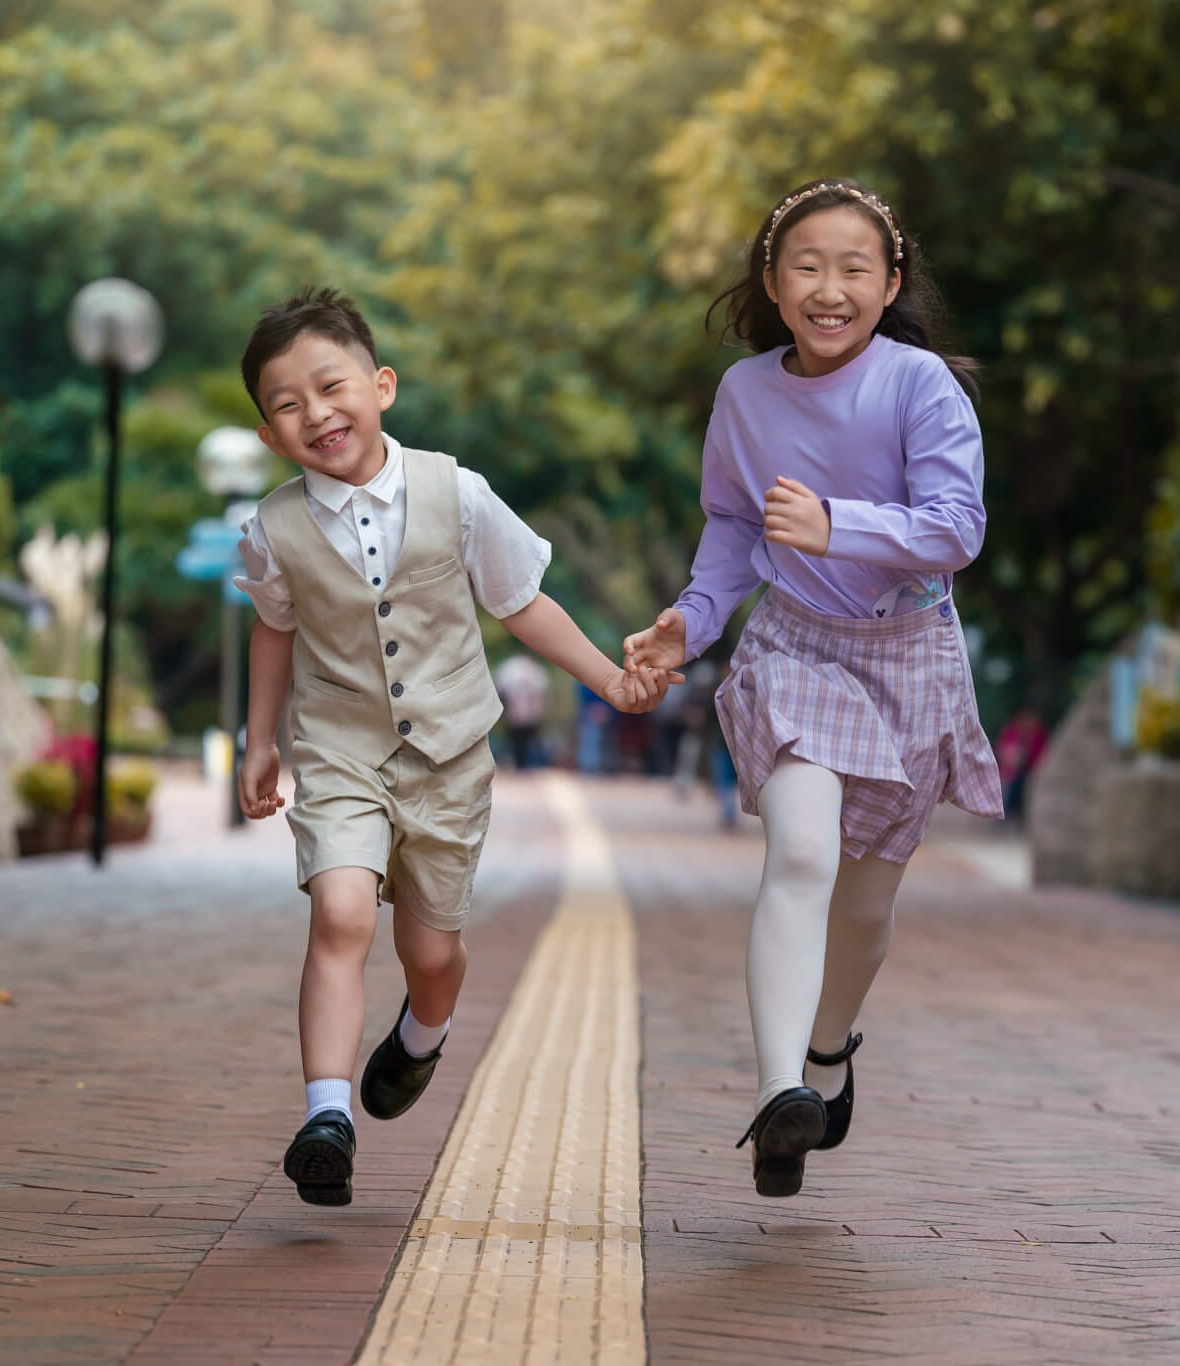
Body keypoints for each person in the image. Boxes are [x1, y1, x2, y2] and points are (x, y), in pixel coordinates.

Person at [232, 287, 676, 1206]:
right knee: (342, 916)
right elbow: (273, 631)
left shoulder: (456, 492)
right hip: (340, 747)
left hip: (446, 759)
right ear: (271, 436)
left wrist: (609, 680)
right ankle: (327, 1118)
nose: (316, 412)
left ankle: (421, 1039)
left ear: (381, 385)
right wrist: (258, 742)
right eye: (287, 404)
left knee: (431, 956)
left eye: (331, 385)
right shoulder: (272, 529)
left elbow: (522, 603)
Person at [625, 180, 1001, 1198]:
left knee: (866, 909)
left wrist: (839, 525)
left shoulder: (919, 385)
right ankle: (778, 1091)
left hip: (909, 654)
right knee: (798, 852)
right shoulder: (745, 394)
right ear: (769, 281)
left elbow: (954, 529)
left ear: (888, 284)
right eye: (805, 266)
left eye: (851, 269)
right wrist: (688, 625)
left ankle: (828, 1049)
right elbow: (734, 528)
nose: (827, 288)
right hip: (794, 649)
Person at [493, 652, 550, 770]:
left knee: (527, 740)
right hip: (518, 711)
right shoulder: (524, 670)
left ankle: (528, 765)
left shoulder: (517, 669)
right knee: (516, 740)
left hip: (524, 712)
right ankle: (520, 765)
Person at [995, 704, 1048, 817]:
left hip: (1030, 770)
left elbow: (1040, 757)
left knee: (1019, 780)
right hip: (1010, 769)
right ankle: (1009, 811)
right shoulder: (1012, 732)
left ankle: (1011, 811)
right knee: (1014, 780)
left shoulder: (1038, 736)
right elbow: (1002, 750)